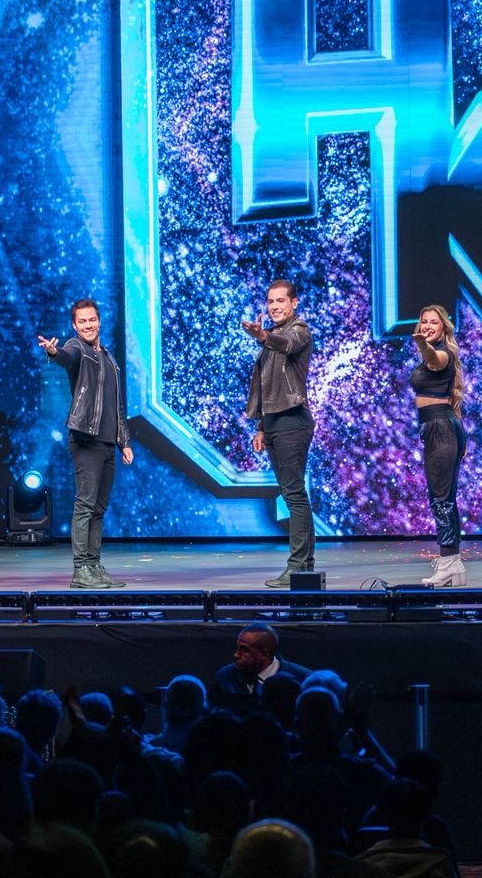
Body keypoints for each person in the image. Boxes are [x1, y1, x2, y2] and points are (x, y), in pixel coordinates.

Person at [39, 297, 134, 589]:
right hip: (85, 438)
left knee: (99, 508)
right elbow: (66, 357)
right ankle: (81, 569)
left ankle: (94, 565)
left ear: (99, 321)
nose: (88, 325)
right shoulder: (77, 347)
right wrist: (53, 352)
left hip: (107, 442)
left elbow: (117, 405)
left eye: (92, 319)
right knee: (85, 504)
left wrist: (124, 441)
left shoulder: (109, 359)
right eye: (82, 321)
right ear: (74, 325)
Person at [242, 278, 315, 588]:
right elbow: (266, 387)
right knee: (291, 494)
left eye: (280, 301)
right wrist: (260, 426)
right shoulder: (272, 337)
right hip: (273, 424)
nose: (274, 306)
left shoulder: (299, 331)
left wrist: (262, 336)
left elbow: (287, 345)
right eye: (270, 301)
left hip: (292, 421)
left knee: (294, 496)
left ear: (293, 303)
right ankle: (303, 566)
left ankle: (299, 566)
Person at [409, 305, 468, 588]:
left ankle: (448, 563)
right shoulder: (436, 354)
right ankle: (452, 563)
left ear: (444, 327)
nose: (428, 326)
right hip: (441, 427)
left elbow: (434, 360)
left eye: (434, 322)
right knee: (444, 498)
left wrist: (424, 346)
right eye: (424, 321)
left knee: (441, 499)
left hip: (440, 429)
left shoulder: (443, 353)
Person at [210, 623, 311, 700]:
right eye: (238, 648)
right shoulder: (225, 677)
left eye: (245, 650)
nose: (236, 655)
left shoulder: (302, 679)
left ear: (265, 653)